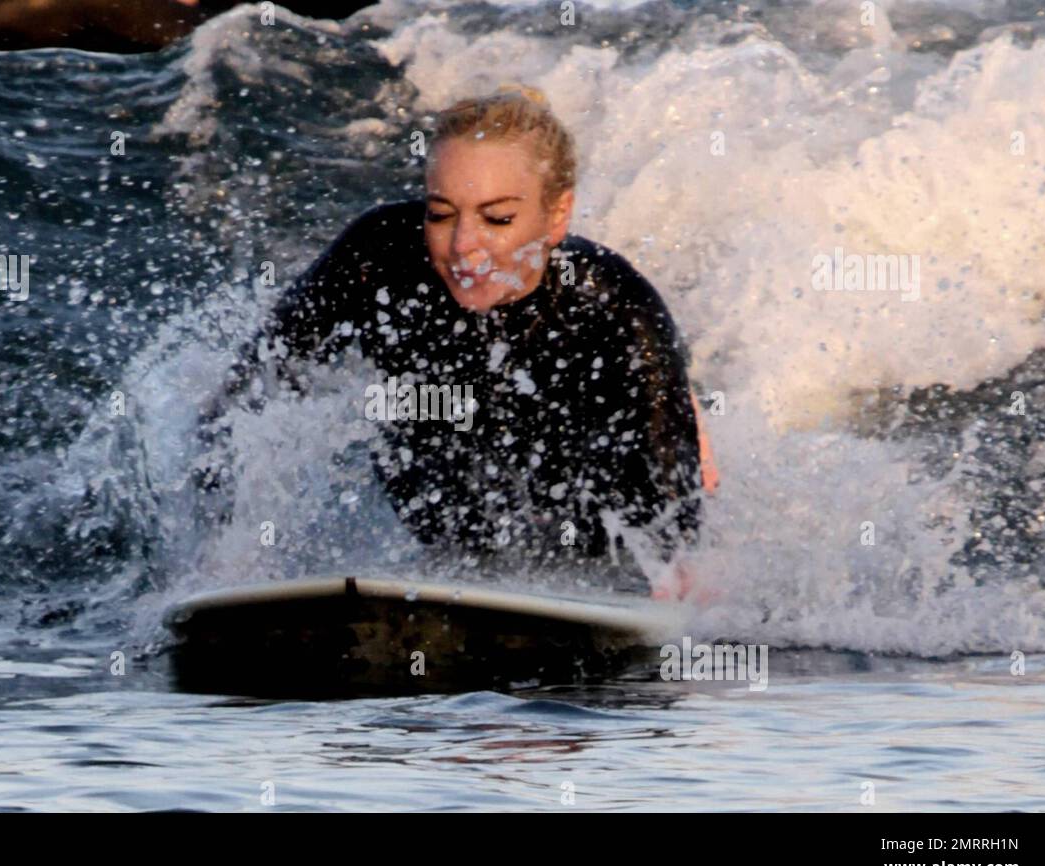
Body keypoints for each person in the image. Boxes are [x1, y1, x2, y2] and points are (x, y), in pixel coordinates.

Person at [203, 85, 715, 593]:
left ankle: (693, 415)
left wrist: (680, 578)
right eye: (440, 214)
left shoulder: (613, 303)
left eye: (498, 219)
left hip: (585, 465)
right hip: (439, 458)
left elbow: (675, 511)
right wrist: (226, 548)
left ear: (557, 216)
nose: (463, 246)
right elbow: (251, 389)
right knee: (427, 446)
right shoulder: (376, 255)